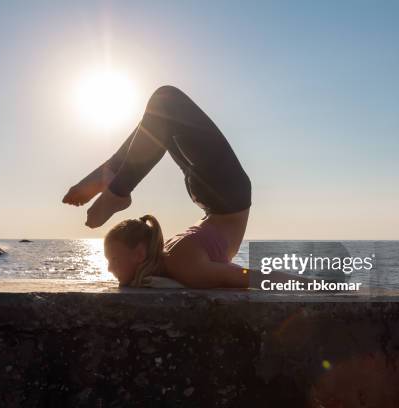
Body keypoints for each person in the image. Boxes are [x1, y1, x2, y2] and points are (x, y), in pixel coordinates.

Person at [63, 85, 293, 289]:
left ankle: (114, 180)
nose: (109, 269)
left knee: (162, 111)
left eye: (112, 259)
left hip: (221, 195)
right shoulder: (179, 263)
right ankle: (116, 183)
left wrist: (321, 286)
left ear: (140, 253)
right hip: (225, 195)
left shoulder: (178, 262)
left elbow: (249, 276)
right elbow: (248, 276)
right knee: (165, 103)